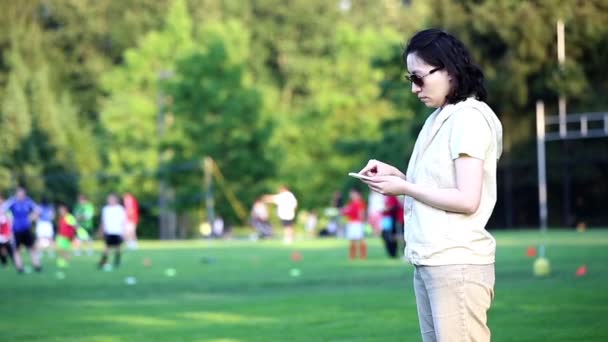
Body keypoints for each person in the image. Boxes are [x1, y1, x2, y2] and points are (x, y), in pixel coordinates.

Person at [356, 29, 503, 341]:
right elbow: (439, 189)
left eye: (419, 78)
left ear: (449, 70)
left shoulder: (470, 118)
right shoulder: (439, 118)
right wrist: (398, 178)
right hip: (432, 261)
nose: (414, 88)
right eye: (409, 78)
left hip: (457, 263)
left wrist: (406, 189)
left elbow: (466, 199)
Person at [5, 187, 42, 273]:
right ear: (16, 194)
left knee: (32, 248)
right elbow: (2, 209)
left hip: (26, 229)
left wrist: (32, 217)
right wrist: (8, 219)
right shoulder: (13, 202)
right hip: (16, 230)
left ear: (25, 194)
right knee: (16, 250)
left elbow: (38, 210)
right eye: (19, 194)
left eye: (22, 194)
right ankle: (20, 268)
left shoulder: (28, 202)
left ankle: (37, 266)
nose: (20, 196)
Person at [98, 193, 126, 269]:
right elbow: (103, 221)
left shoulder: (120, 209)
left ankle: (117, 262)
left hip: (117, 231)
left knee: (118, 247)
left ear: (116, 200)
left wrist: (124, 232)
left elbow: (123, 221)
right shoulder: (105, 209)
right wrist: (101, 230)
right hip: (108, 231)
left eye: (112, 199)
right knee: (107, 248)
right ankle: (103, 262)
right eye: (109, 199)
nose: (110, 200)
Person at [341, 189, 367, 260]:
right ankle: (352, 256)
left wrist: (362, 221)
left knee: (360, 239)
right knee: (352, 239)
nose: (351, 195)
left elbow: (362, 213)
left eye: (353, 194)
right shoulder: (351, 203)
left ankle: (362, 256)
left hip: (358, 223)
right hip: (351, 222)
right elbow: (347, 212)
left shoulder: (360, 203)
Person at [55, 203, 78, 268]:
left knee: (66, 250)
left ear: (65, 210)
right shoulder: (61, 217)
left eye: (61, 210)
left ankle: (66, 262)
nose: (60, 211)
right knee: (61, 249)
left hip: (67, 237)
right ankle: (62, 261)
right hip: (61, 236)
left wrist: (74, 235)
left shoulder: (69, 217)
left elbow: (75, 225)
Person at [0, 194, 15, 268]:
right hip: (0, 233)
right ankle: (4, 263)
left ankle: (15, 261)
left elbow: (10, 221)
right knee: (1, 249)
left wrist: (10, 232)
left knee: (9, 248)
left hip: (6, 233)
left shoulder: (7, 210)